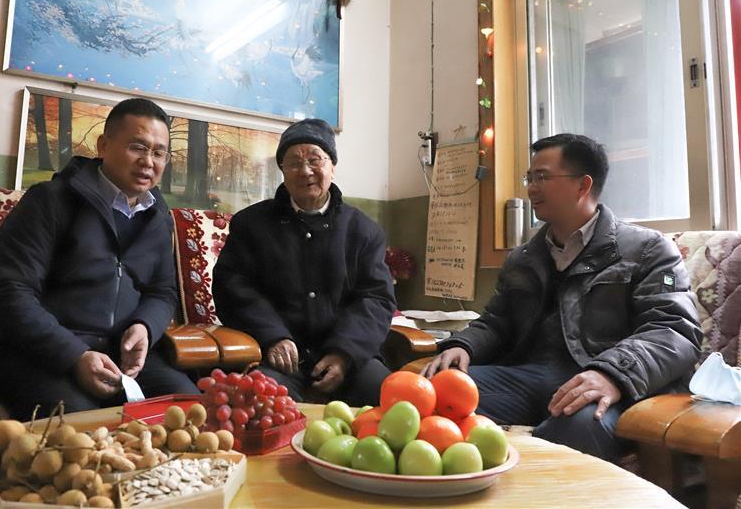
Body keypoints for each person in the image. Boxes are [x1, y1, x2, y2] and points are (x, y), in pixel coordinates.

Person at [421, 133, 702, 461]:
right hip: (528, 379)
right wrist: (464, 345)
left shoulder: (648, 249)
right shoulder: (523, 257)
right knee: (427, 394)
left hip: (602, 381)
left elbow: (673, 330)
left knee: (579, 427)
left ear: (583, 185)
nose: (530, 188)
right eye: (529, 178)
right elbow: (497, 322)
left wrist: (611, 374)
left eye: (542, 177)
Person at [0, 98, 198, 420]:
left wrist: (145, 327)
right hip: (41, 355)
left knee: (192, 417)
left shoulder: (158, 216)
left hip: (121, 356)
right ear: (103, 146)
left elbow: (162, 292)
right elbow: (7, 292)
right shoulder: (49, 200)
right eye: (137, 147)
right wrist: (75, 356)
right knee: (84, 432)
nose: (148, 162)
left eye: (159, 153)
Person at [213, 118, 396, 407]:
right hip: (278, 360)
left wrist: (344, 353)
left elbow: (376, 298)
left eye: (315, 160)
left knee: (392, 400)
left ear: (332, 166)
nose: (306, 171)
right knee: (256, 406)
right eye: (294, 163)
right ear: (282, 171)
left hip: (349, 359)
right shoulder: (251, 224)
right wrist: (273, 336)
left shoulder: (363, 231)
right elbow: (231, 286)